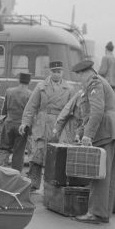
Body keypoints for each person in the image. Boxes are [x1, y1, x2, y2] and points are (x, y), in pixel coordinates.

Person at [70, 60, 115, 224]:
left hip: (105, 132)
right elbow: (89, 113)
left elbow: (97, 111)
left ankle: (95, 213)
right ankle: (103, 213)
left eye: (79, 76)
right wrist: (81, 132)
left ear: (85, 73)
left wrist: (88, 135)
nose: (79, 80)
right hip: (114, 131)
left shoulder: (94, 82)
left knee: (99, 174)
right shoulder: (100, 82)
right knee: (109, 175)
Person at [19, 61, 75, 191]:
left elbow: (73, 112)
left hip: (59, 125)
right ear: (50, 72)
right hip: (42, 123)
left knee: (56, 155)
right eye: (54, 71)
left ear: (62, 72)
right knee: (37, 152)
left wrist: (72, 131)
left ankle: (52, 187)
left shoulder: (70, 89)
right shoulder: (41, 87)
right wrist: (25, 123)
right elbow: (31, 106)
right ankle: (33, 183)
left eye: (58, 71)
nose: (56, 74)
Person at [0, 72, 32, 171]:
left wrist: (3, 122)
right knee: (18, 152)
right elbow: (30, 113)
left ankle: (0, 170)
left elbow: (4, 111)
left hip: (8, 124)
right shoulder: (30, 94)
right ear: (29, 82)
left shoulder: (9, 91)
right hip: (22, 127)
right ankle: (15, 175)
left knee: (4, 149)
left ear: (19, 80)